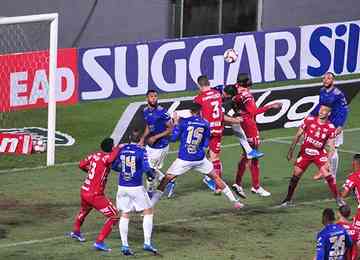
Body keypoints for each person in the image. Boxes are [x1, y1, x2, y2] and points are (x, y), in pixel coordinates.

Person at [150, 102, 243, 209]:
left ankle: (150, 205)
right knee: (216, 177)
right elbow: (206, 143)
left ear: (190, 112)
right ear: (200, 112)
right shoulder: (205, 123)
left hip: (184, 159)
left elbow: (174, 138)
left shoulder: (184, 122)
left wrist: (175, 123)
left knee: (165, 180)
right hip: (199, 159)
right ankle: (235, 201)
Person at [194, 75, 263, 194]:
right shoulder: (217, 95)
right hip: (210, 126)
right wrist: (235, 119)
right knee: (208, 156)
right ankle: (210, 179)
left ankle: (212, 180)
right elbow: (221, 115)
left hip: (210, 125)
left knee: (212, 156)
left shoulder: (214, 94)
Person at [280, 105, 344, 207]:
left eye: (324, 110)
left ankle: (338, 198)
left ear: (329, 113)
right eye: (320, 110)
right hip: (305, 153)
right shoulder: (309, 120)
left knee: (328, 175)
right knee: (296, 175)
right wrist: (290, 151)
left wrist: (328, 162)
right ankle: (288, 199)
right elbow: (298, 135)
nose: (321, 112)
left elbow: (331, 147)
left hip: (319, 153)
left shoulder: (330, 127)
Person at [231, 74, 280, 198]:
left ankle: (237, 183)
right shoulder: (246, 95)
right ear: (247, 82)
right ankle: (256, 187)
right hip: (249, 125)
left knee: (246, 155)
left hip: (240, 123)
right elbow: (254, 111)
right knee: (254, 156)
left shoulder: (234, 90)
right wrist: (271, 106)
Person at [69, 138, 120, 252]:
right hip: (95, 194)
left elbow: (81, 164)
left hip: (85, 190)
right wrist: (118, 148)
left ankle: (76, 231)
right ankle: (99, 242)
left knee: (84, 211)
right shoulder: (107, 157)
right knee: (114, 216)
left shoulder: (94, 155)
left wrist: (92, 171)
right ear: (111, 147)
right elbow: (111, 158)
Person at [112, 129, 157, 256]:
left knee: (125, 213)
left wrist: (125, 170)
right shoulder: (141, 151)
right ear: (140, 139)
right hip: (136, 187)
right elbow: (147, 168)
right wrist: (151, 175)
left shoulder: (122, 149)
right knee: (148, 211)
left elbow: (114, 166)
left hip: (122, 186)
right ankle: (147, 243)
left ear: (130, 138)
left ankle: (125, 245)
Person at [310, 72, 349, 181]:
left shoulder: (338, 94)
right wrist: (311, 115)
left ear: (333, 81)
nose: (326, 80)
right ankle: (324, 170)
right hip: (325, 124)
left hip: (335, 124)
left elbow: (345, 109)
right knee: (320, 147)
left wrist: (340, 125)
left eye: (329, 78)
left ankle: (333, 176)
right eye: (325, 78)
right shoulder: (322, 91)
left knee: (333, 149)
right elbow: (320, 105)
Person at [139, 89, 175, 197]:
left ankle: (149, 194)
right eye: (151, 96)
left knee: (149, 171)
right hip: (150, 145)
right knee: (148, 167)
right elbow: (149, 126)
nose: (154, 98)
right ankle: (169, 182)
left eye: (155, 96)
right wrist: (142, 139)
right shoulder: (145, 111)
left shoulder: (162, 112)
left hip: (160, 146)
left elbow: (170, 129)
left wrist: (155, 137)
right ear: (147, 98)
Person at [341, 154, 360, 227]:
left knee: (357, 232)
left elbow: (343, 194)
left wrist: (346, 184)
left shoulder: (354, 176)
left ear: (355, 163)